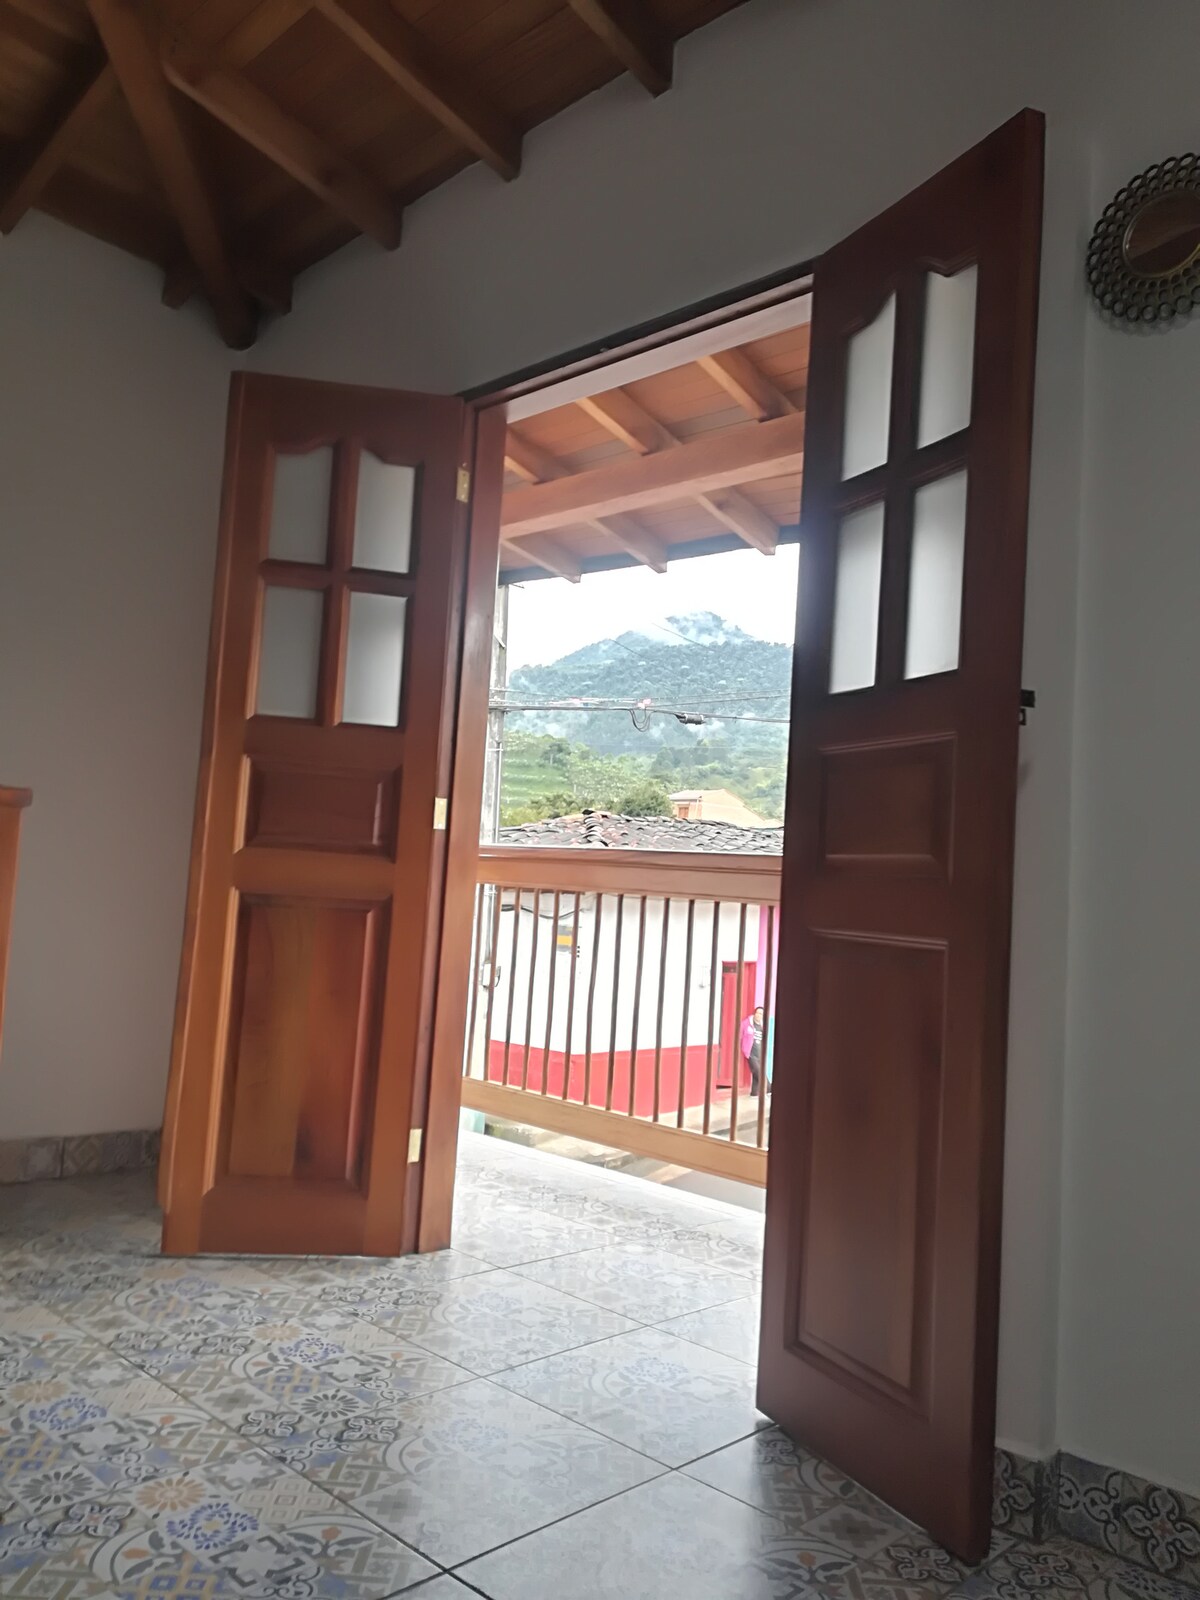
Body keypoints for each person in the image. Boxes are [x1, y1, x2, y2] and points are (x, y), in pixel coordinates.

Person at [740, 1005, 764, 1096]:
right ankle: (769, 1087)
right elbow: (740, 1036)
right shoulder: (746, 1023)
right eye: (758, 1013)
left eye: (761, 1014)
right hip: (750, 1053)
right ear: (754, 1013)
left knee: (755, 1073)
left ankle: (754, 1093)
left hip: (760, 1053)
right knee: (759, 1072)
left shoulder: (762, 1025)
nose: (759, 1015)